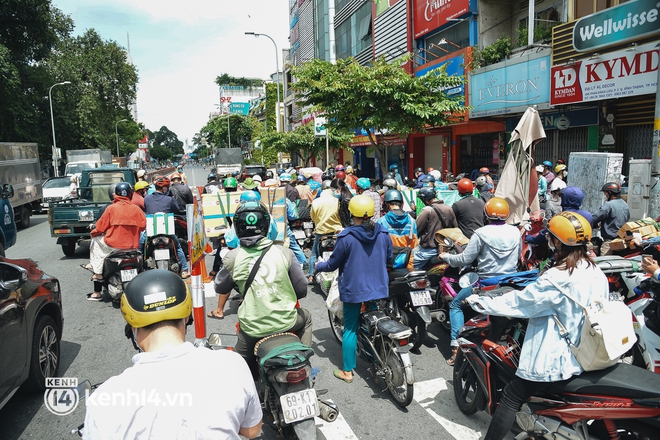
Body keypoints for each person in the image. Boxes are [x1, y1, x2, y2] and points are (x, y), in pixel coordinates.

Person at [465, 212, 607, 440]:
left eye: (550, 237)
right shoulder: (594, 271)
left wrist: (478, 302)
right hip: (587, 351)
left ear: (558, 242)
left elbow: (519, 303)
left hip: (558, 358)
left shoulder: (556, 278)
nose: (548, 240)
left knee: (512, 395)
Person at [83, 270, 262, 439]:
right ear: (186, 317)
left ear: (133, 328)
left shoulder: (103, 400)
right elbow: (252, 430)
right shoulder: (232, 364)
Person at [213, 202, 312, 376]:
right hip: (287, 322)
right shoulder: (284, 252)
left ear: (237, 227)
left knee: (242, 367)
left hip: (253, 329)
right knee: (307, 317)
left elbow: (220, 286)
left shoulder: (233, 257)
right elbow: (302, 289)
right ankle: (303, 359)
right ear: (266, 225)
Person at [315, 195, 392, 383]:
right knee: (374, 324)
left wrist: (319, 266)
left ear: (351, 214)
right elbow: (389, 259)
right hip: (379, 288)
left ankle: (347, 372)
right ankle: (377, 359)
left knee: (350, 329)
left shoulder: (346, 237)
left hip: (354, 291)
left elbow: (332, 264)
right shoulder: (383, 233)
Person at [439, 197, 521, 365]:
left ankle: (456, 348)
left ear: (486, 214)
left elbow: (464, 259)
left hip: (485, 283)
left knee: (455, 304)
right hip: (509, 282)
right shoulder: (515, 232)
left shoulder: (481, 233)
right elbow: (518, 256)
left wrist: (446, 256)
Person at [208, 191, 280, 319]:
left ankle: (219, 310)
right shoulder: (268, 216)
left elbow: (230, 240)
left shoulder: (239, 217)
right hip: (266, 252)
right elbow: (274, 235)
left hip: (242, 254)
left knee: (228, 273)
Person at [87, 183, 146, 301]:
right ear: (130, 194)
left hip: (113, 246)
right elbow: (143, 226)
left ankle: (97, 274)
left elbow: (100, 228)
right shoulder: (136, 209)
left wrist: (93, 232)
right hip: (132, 247)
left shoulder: (111, 208)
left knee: (96, 241)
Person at [143, 176, 190, 278]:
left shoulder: (146, 198)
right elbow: (177, 209)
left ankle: (140, 270)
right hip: (167, 232)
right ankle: (185, 270)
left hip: (151, 232)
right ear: (164, 189)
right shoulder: (169, 199)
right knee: (178, 247)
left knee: (141, 247)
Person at [308, 180, 343, 283]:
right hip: (336, 232)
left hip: (321, 232)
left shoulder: (315, 202)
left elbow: (313, 218)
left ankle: (310, 275)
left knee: (314, 254)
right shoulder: (337, 201)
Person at [414, 187, 457, 269]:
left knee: (410, 267)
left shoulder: (427, 210)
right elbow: (455, 228)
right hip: (445, 249)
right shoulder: (449, 208)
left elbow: (416, 229)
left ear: (425, 199)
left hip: (428, 250)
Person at [377, 189, 419, 270]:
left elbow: (379, 246)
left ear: (387, 204)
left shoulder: (381, 221)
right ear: (401, 204)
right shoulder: (412, 221)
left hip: (388, 264)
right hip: (406, 264)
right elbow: (415, 246)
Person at [592, 182, 630, 256]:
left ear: (610, 192)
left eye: (605, 193)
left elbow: (595, 218)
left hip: (609, 242)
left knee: (603, 263)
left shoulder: (608, 205)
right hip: (622, 240)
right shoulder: (624, 204)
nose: (605, 195)